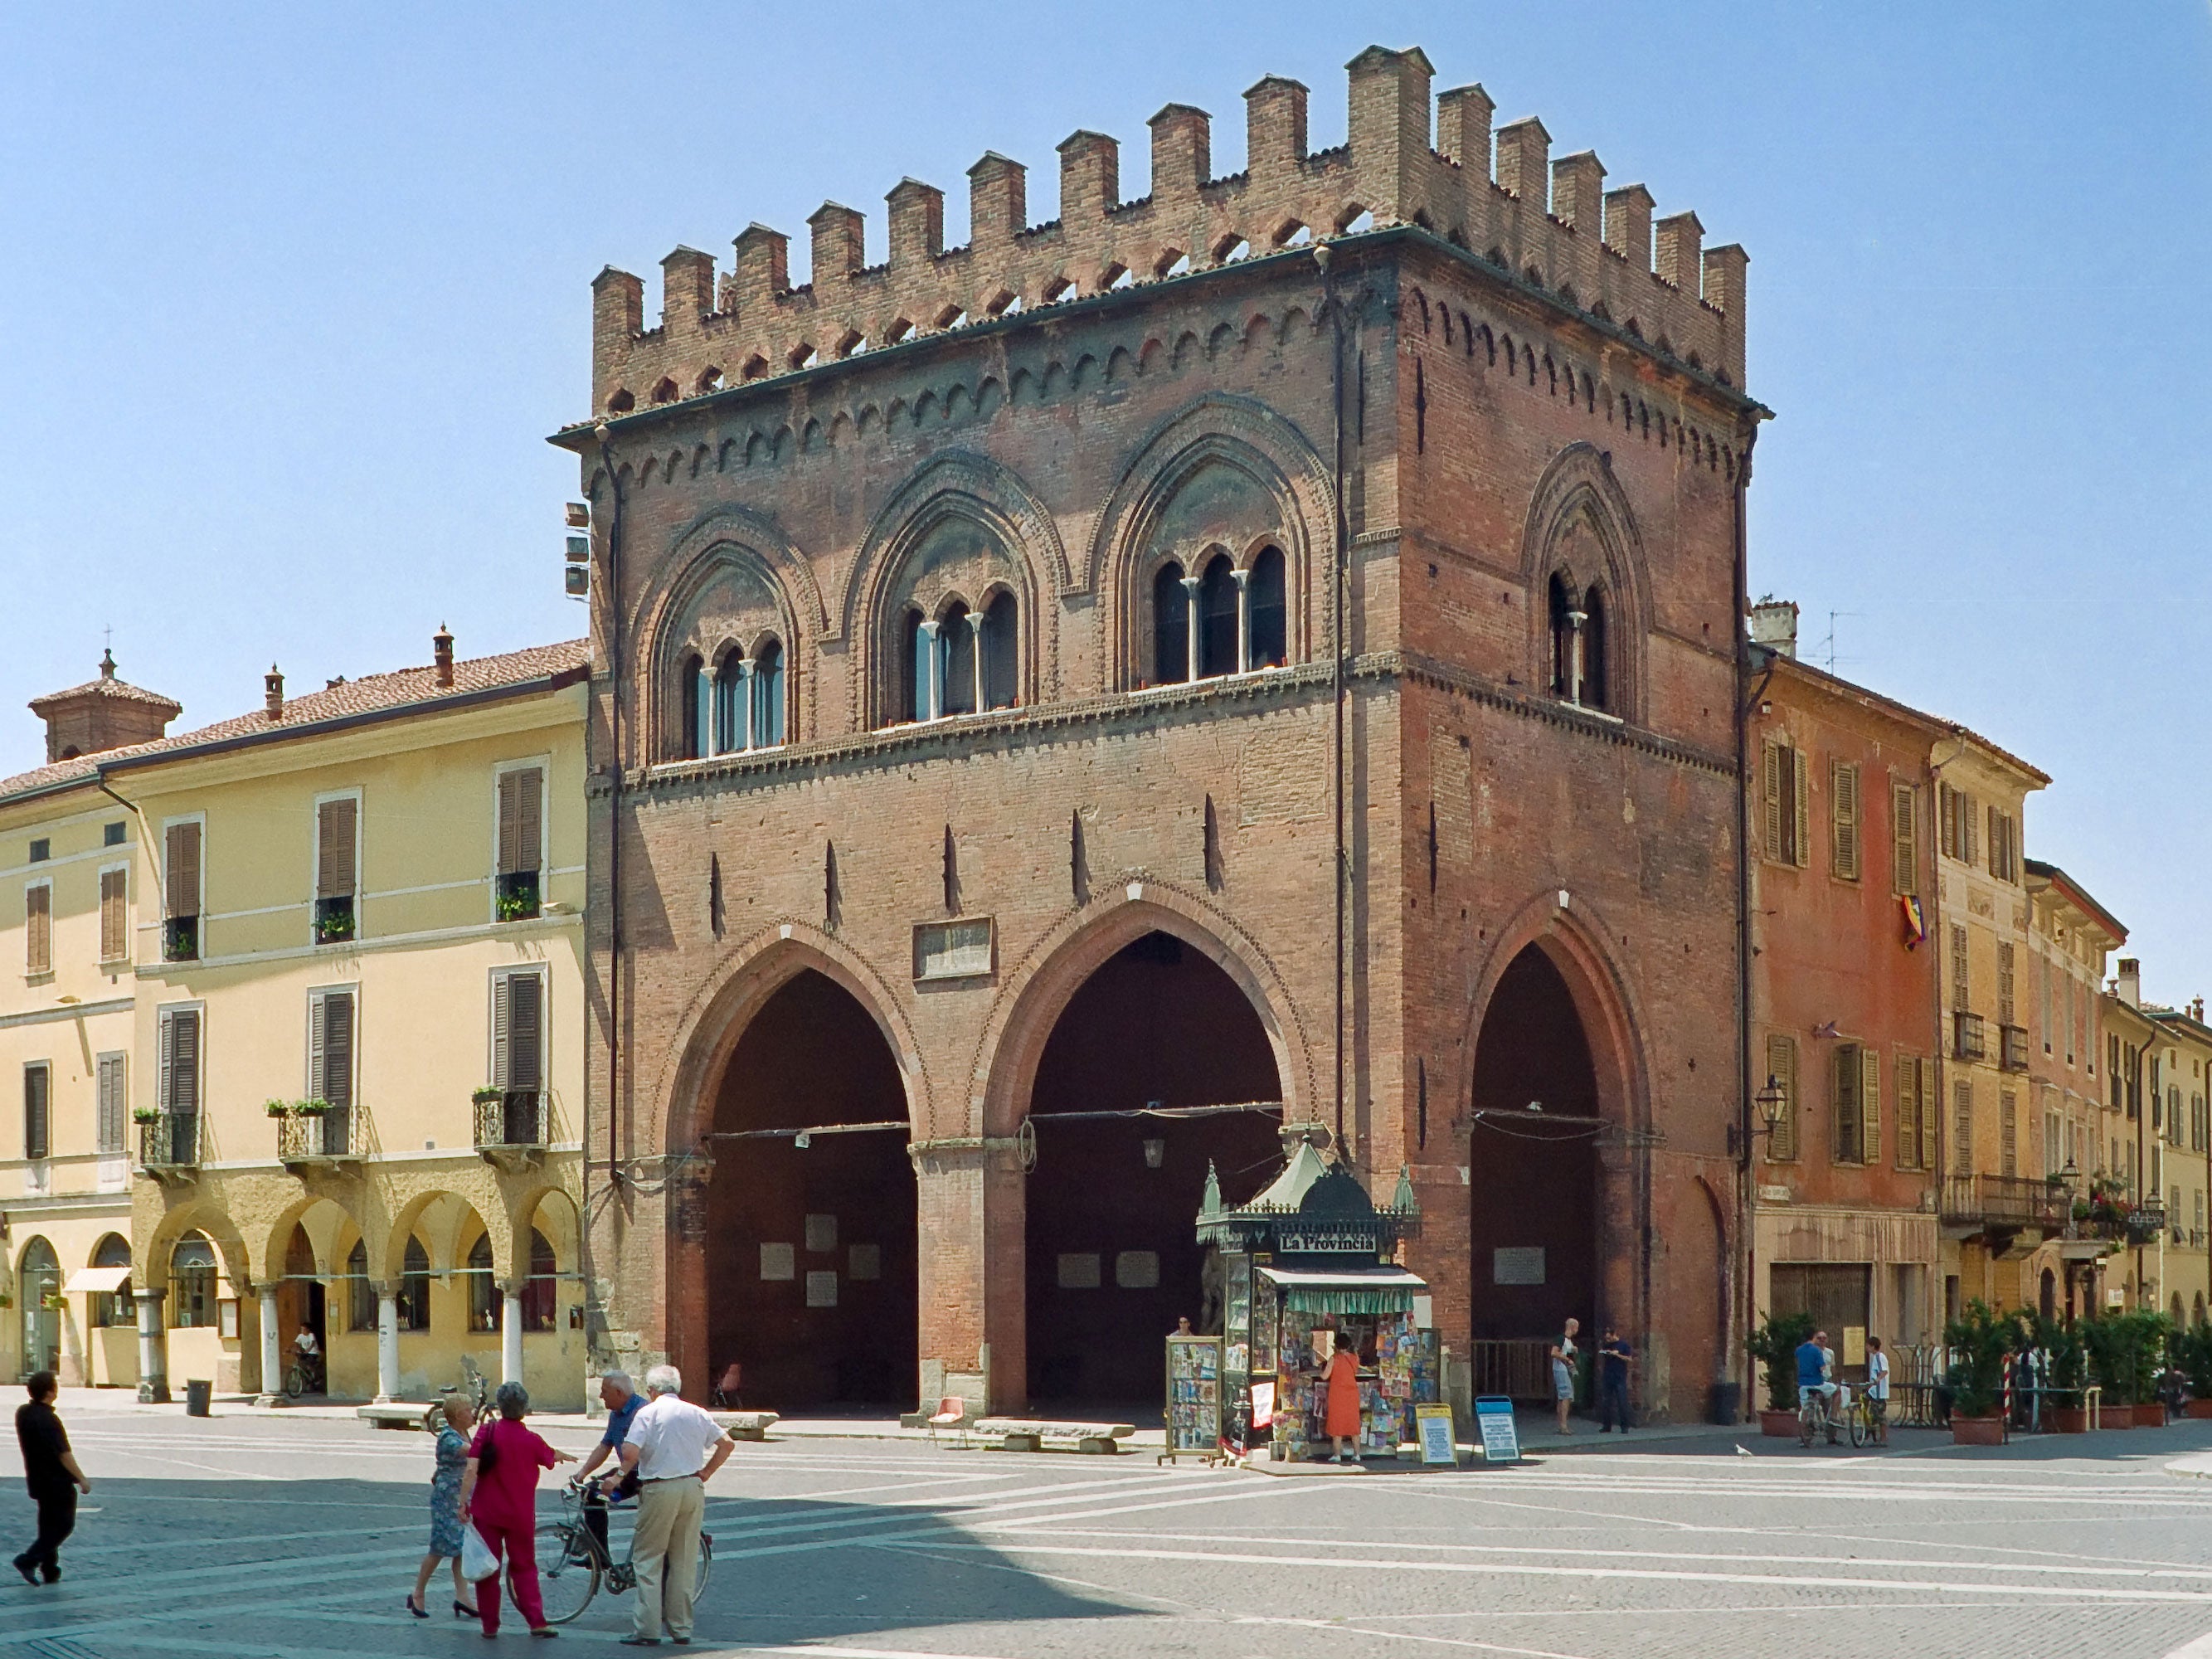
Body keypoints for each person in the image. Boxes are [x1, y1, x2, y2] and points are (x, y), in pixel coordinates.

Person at [604, 1365, 737, 1647]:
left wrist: (616, 1478)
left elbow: (630, 1452)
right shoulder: (696, 1412)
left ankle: (648, 1629)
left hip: (659, 1487)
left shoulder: (648, 1413)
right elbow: (726, 1444)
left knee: (649, 1559)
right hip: (691, 1486)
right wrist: (707, 1472)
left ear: (651, 1390)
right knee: (684, 1560)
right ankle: (681, 1627)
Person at [459, 1380, 575, 1639]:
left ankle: (490, 1625)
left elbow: (471, 1469)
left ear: (500, 1406)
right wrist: (561, 1455)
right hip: (520, 1513)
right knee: (524, 1567)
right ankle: (536, 1621)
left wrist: (462, 1502)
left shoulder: (486, 1433)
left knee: (489, 1568)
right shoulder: (531, 1440)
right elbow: (549, 1455)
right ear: (524, 1408)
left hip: (487, 1511)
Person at [406, 1394, 479, 1619]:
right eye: (469, 1410)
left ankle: (462, 1596)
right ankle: (418, 1592)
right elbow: (471, 1451)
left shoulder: (464, 1432)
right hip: (447, 1498)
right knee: (439, 1547)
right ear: (458, 1415)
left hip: (462, 1497)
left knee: (461, 1547)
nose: (473, 1413)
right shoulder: (448, 1436)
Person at [13, 1372, 89, 1586]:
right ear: (50, 1392)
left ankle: (50, 1569)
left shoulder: (24, 1413)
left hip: (37, 1479)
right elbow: (63, 1453)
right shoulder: (49, 1419)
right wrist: (81, 1478)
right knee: (63, 1526)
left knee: (47, 1526)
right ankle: (28, 1560)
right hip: (57, 1481)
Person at [572, 1371, 644, 1556]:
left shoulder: (641, 1412)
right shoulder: (616, 1414)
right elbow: (605, 1445)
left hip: (642, 1473)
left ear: (619, 1393)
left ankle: (597, 1552)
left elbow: (638, 1453)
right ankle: (598, 1554)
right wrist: (582, 1473)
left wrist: (616, 1479)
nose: (601, 1396)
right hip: (626, 1471)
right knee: (591, 1492)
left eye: (605, 1391)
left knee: (599, 1494)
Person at [1319, 1329, 1362, 1464]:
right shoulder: (1355, 1357)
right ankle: (1357, 1454)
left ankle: (1337, 1454)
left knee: (1337, 1424)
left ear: (1336, 1345)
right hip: (1352, 1394)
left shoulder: (1334, 1359)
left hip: (1338, 1395)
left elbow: (1325, 1376)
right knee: (1353, 1424)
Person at [1796, 1328, 1838, 1441]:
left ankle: (1805, 1436)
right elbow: (1822, 1367)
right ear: (1814, 1337)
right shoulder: (1816, 1351)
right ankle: (1833, 1417)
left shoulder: (1799, 1350)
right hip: (1817, 1383)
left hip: (1803, 1384)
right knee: (1837, 1391)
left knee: (1804, 1408)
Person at [1597, 1326, 1634, 1433]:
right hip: (1608, 1376)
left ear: (1614, 1335)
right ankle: (1607, 1426)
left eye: (1609, 1338)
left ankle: (1624, 1426)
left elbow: (1629, 1359)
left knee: (1622, 1402)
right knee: (1606, 1402)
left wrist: (1617, 1355)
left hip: (1619, 1376)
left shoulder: (1623, 1345)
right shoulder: (1607, 1345)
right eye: (1606, 1339)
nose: (1607, 1340)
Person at [1550, 1316, 1581, 1435]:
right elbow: (1554, 1352)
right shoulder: (1561, 1338)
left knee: (1562, 1397)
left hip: (1565, 1370)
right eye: (1577, 1327)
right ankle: (1563, 1425)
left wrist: (1573, 1350)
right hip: (1562, 1369)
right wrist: (1567, 1359)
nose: (1577, 1330)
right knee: (1566, 1396)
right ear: (1572, 1327)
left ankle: (1561, 1424)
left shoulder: (1568, 1340)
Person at [1864, 1335, 1891, 1446]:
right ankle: (1868, 1431)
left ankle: (1883, 1438)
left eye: (1867, 1346)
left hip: (1879, 1392)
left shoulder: (1880, 1357)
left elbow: (1884, 1371)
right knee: (1869, 1409)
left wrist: (1877, 1380)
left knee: (1880, 1415)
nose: (1866, 1348)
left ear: (1872, 1346)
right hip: (1873, 1391)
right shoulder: (1875, 1358)